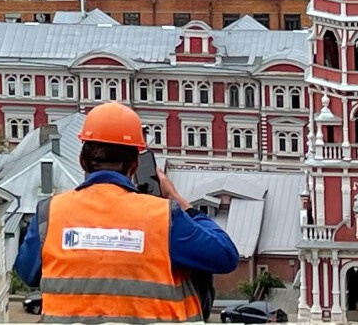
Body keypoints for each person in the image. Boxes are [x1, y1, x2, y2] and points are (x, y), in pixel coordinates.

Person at [15, 102, 239, 323]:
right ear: (134, 165)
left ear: (82, 161)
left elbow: (27, 273)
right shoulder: (164, 217)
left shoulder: (51, 213)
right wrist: (180, 202)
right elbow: (225, 256)